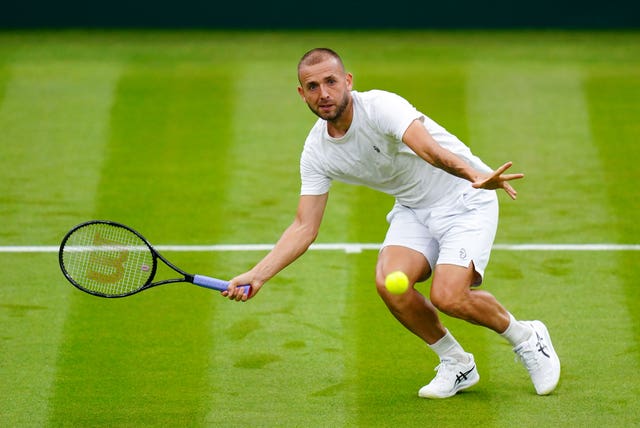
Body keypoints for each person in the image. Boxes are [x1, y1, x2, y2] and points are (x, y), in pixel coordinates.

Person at [224, 48, 560, 398]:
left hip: (466, 196)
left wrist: (474, 174)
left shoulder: (381, 107)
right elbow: (304, 227)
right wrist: (258, 274)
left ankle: (527, 338)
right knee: (388, 283)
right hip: (415, 208)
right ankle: (457, 363)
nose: (323, 94)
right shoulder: (317, 152)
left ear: (348, 81)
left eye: (330, 82)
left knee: (449, 295)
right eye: (312, 86)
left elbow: (430, 151)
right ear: (301, 93)